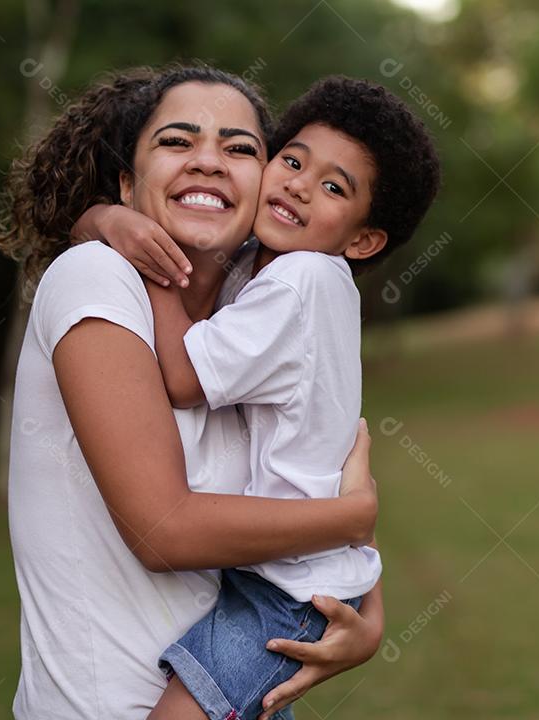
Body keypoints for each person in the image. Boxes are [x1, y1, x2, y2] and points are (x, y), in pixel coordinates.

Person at [0, 64, 385, 720]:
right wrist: (353, 520)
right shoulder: (95, 277)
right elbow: (164, 530)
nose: (208, 161)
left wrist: (369, 619)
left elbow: (315, 481)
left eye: (239, 149)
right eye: (177, 142)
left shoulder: (251, 323)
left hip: (239, 689)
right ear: (127, 181)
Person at [94, 76, 441, 720]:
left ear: (362, 240)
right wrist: (105, 216)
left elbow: (183, 378)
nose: (301, 185)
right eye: (292, 160)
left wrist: (147, 249)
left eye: (335, 187)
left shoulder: (302, 279)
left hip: (289, 593)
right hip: (277, 574)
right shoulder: (264, 263)